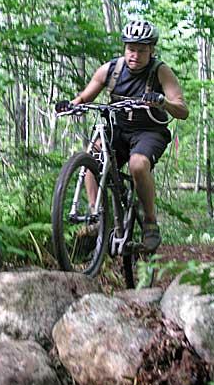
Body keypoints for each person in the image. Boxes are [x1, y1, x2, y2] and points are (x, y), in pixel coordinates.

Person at [55, 19, 188, 252]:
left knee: (138, 164)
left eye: (141, 50)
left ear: (151, 51)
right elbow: (86, 96)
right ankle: (95, 216)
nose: (134, 54)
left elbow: (182, 109)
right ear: (124, 48)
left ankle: (149, 223)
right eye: (130, 48)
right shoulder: (111, 69)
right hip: (119, 130)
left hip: (150, 132)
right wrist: (72, 105)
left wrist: (163, 102)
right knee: (91, 157)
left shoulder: (160, 71)